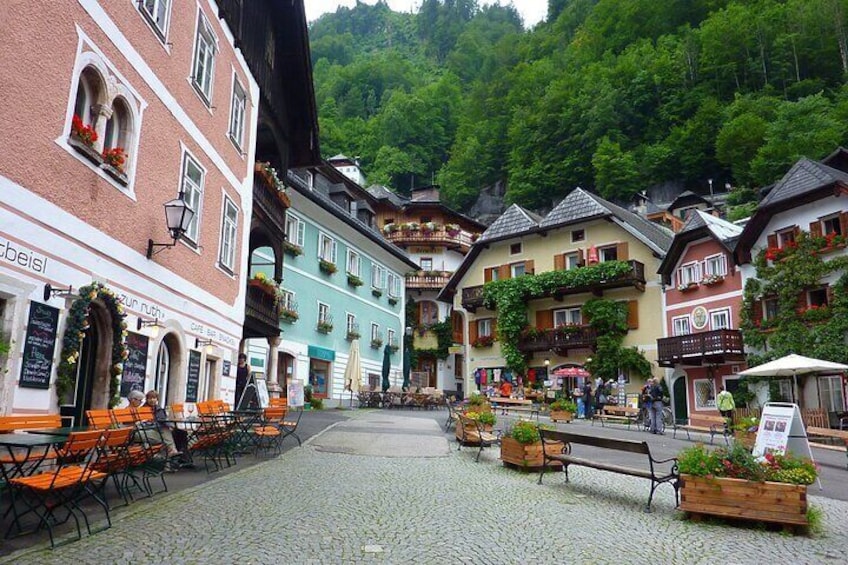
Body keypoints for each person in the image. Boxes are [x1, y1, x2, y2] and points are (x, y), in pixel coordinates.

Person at [145, 390, 182, 458]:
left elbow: (163, 419)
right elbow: (146, 422)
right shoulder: (144, 409)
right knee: (168, 432)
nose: (152, 400)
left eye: (154, 398)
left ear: (157, 399)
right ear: (147, 399)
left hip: (158, 429)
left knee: (179, 433)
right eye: (150, 398)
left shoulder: (158, 409)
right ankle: (172, 451)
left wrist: (170, 425)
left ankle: (174, 454)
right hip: (149, 429)